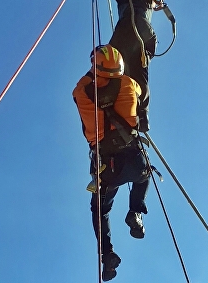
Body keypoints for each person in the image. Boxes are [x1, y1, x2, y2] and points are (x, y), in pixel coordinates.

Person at [73, 44, 150, 282]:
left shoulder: (82, 91)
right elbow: (143, 94)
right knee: (144, 176)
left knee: (100, 210)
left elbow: (83, 88)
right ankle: (135, 211)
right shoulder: (129, 84)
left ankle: (107, 254)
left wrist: (94, 73)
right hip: (133, 160)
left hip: (107, 167)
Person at [103, 0, 164, 132]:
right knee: (137, 74)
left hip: (132, 24)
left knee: (107, 62)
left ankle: (107, 106)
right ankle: (141, 115)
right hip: (143, 32)